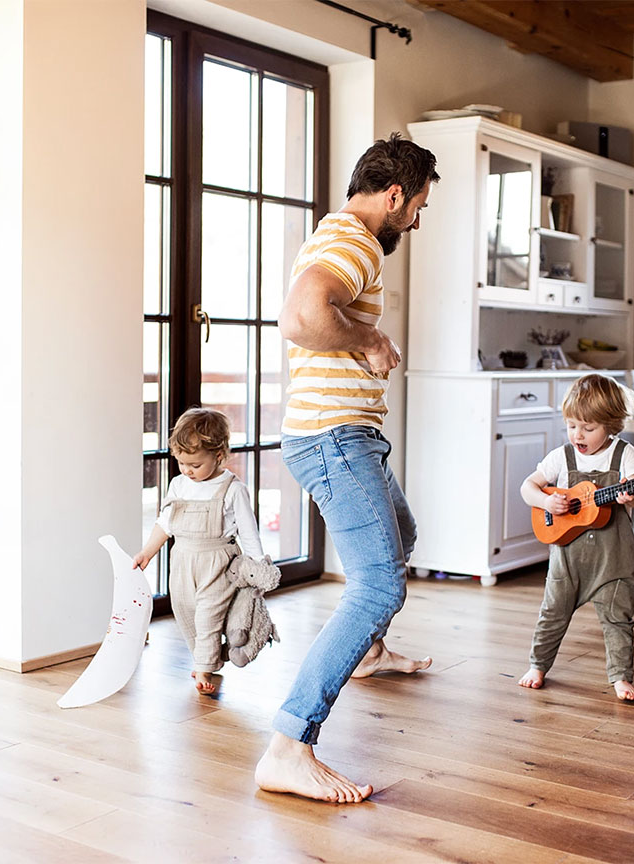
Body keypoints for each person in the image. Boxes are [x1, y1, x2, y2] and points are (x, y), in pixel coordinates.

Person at [253, 133, 439, 804]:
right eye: (416, 206)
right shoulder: (356, 241)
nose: (415, 221)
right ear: (394, 195)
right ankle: (288, 746)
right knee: (379, 585)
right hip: (333, 438)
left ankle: (366, 653)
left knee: (402, 532)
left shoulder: (338, 235)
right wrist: (372, 338)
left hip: (344, 434)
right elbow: (302, 315)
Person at [517, 374, 634, 701]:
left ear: (611, 424)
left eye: (588, 428)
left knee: (618, 619)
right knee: (552, 614)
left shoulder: (624, 455)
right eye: (572, 425)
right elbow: (527, 487)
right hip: (567, 562)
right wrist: (546, 501)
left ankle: (620, 676)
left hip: (612, 561)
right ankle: (538, 665)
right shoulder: (561, 457)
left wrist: (632, 497)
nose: (578, 434)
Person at [132, 407, 271, 695]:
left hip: (217, 561)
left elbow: (248, 530)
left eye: (195, 464)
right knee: (185, 611)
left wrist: (259, 565)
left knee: (208, 615)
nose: (187, 470)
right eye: (182, 463)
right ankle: (207, 656)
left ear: (218, 455)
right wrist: (147, 552)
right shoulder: (179, 485)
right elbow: (165, 523)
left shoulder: (232, 488)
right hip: (182, 560)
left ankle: (204, 668)